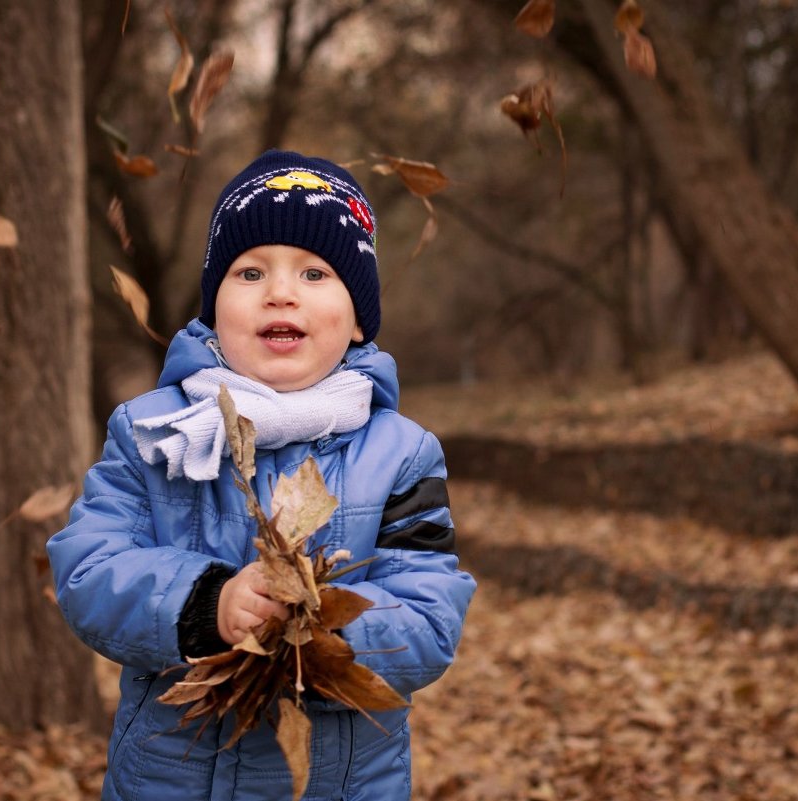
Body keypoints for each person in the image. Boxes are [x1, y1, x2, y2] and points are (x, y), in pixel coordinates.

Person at [47, 149, 476, 801]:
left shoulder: (401, 454)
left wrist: (318, 623)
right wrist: (206, 603)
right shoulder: (156, 430)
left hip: (339, 786)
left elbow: (429, 616)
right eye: (249, 272)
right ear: (213, 307)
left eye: (313, 272)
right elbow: (87, 568)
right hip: (171, 781)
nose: (280, 291)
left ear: (358, 317)